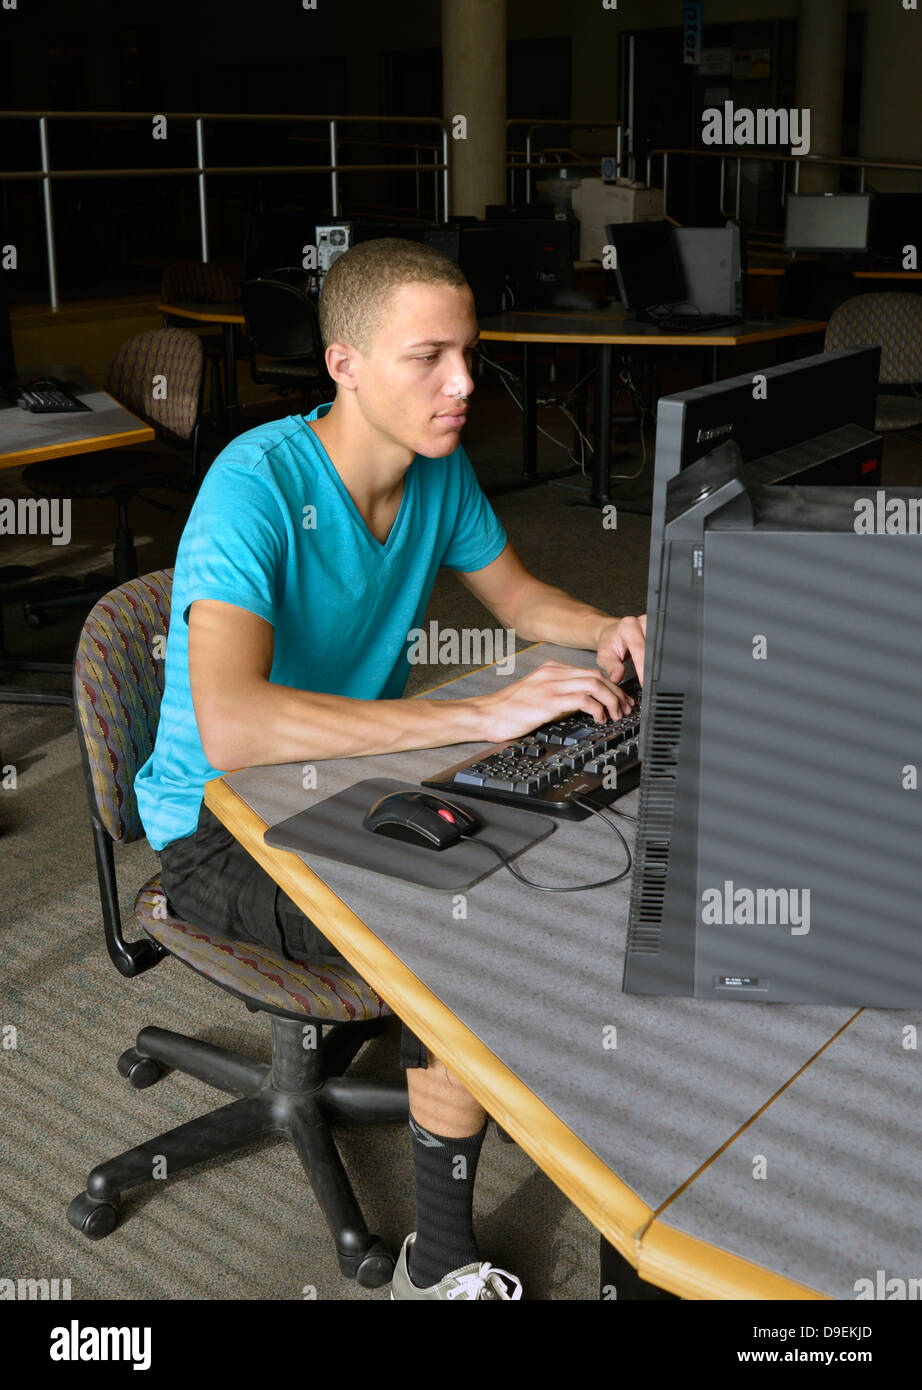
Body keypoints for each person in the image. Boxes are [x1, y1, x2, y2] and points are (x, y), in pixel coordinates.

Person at [136, 237, 646, 1301]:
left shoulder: (436, 466)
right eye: (429, 357)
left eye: (468, 352)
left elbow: (519, 601)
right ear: (346, 365)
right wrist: (478, 711)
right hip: (215, 826)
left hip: (343, 783)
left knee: (551, 853)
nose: (464, 385)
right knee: (464, 941)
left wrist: (606, 629)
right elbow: (231, 726)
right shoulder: (257, 484)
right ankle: (438, 1264)